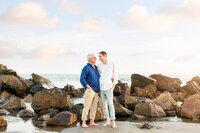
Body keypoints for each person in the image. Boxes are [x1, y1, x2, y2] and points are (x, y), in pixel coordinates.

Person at [98, 51, 118, 128]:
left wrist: (114, 85)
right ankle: (107, 120)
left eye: (100, 56)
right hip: (101, 88)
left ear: (105, 56)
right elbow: (99, 76)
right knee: (104, 105)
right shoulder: (99, 66)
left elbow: (115, 74)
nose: (99, 58)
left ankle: (113, 121)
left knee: (110, 104)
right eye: (99, 56)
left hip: (109, 87)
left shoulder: (112, 63)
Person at [80, 53, 100, 128]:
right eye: (94, 58)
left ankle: (92, 121)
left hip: (96, 91)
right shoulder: (86, 68)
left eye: (95, 58)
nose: (95, 59)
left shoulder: (96, 68)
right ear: (89, 59)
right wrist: (88, 87)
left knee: (94, 107)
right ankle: (84, 122)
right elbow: (82, 79)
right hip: (90, 90)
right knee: (87, 106)